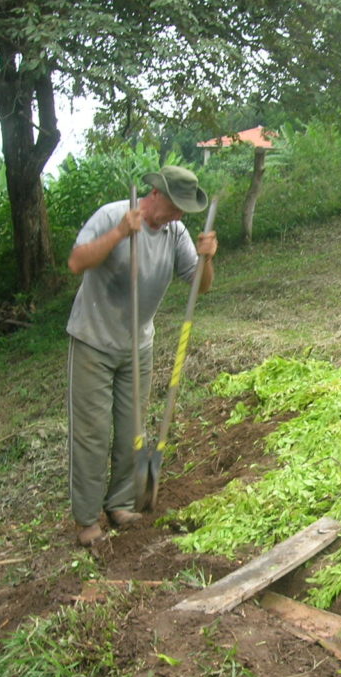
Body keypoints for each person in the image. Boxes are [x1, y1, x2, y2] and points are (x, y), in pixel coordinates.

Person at [66, 166, 217, 546]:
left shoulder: (175, 232)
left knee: (132, 430)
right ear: (155, 194)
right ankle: (87, 521)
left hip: (138, 345)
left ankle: (119, 504)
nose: (181, 215)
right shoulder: (111, 215)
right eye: (177, 205)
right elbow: (76, 262)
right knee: (93, 435)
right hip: (93, 342)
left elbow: (201, 287)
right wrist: (120, 233)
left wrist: (207, 259)